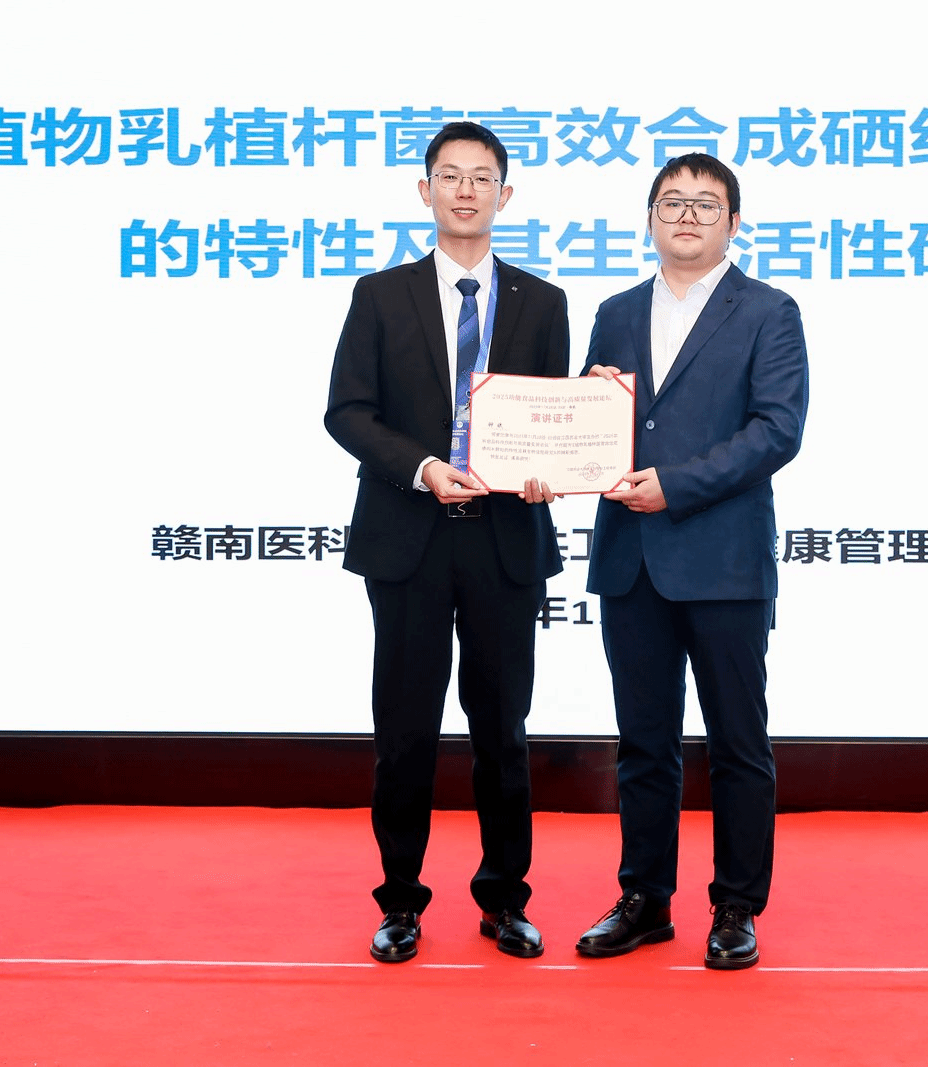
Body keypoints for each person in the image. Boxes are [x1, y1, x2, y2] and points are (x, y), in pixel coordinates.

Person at [324, 122, 568, 963]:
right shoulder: (378, 295)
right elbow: (347, 412)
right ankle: (400, 900)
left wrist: (548, 467)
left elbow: (551, 418)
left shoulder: (543, 302)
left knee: (504, 729)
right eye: (451, 175)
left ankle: (505, 899)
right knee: (405, 731)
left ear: (506, 195)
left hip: (504, 539)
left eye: (482, 177)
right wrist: (423, 466)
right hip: (409, 538)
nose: (466, 190)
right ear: (424, 191)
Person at [574, 153, 808, 970]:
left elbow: (776, 430)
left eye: (706, 204)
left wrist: (675, 486)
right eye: (671, 202)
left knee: (738, 742)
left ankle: (737, 905)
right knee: (643, 742)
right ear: (649, 219)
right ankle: (645, 898)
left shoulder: (769, 311)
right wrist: (580, 415)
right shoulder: (614, 311)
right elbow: (591, 420)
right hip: (630, 558)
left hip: (723, 559)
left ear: (733, 224)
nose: (687, 215)